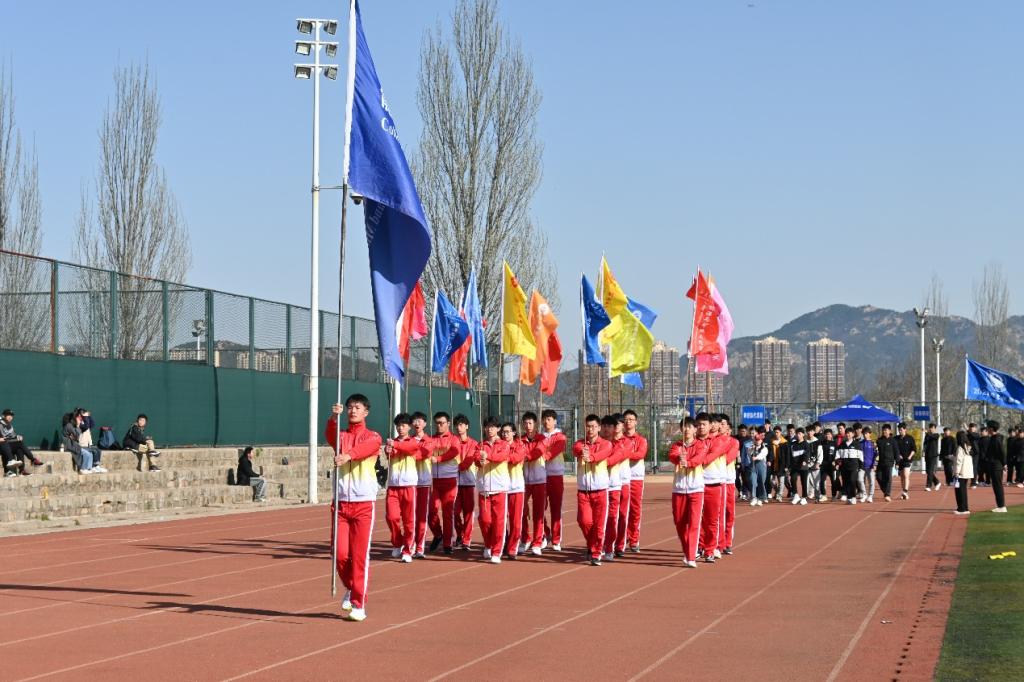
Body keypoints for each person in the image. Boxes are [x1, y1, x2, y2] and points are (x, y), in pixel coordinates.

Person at [325, 395, 383, 622]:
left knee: (359, 557)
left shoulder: (373, 436)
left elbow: (367, 448)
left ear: (366, 412)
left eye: (357, 407)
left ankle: (359, 603)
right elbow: (330, 434)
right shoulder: (341, 436)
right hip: (341, 503)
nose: (352, 410)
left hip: (363, 504)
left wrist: (348, 455)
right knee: (339, 554)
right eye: (349, 407)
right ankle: (351, 587)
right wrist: (333, 417)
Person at [668, 416, 712, 567]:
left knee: (694, 523)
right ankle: (688, 551)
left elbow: (699, 458)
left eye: (689, 426)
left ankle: (691, 556)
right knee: (679, 523)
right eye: (684, 426)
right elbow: (672, 456)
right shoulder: (677, 445)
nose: (686, 429)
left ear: (694, 430)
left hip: (696, 489)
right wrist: (678, 458)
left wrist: (688, 462)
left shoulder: (701, 445)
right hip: (679, 489)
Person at [572, 413, 612, 566]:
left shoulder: (606, 444)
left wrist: (591, 457)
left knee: (599, 525)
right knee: (584, 521)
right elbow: (576, 449)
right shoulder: (580, 444)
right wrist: (583, 451)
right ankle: (592, 544)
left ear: (599, 428)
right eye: (588, 426)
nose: (591, 429)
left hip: (600, 490)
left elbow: (603, 454)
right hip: (584, 491)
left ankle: (596, 553)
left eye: (594, 426)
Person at [469, 417, 510, 564]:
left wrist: (488, 456)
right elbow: (475, 458)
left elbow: (502, 456)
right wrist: (479, 461)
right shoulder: (481, 445)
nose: (489, 429)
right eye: (487, 427)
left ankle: (497, 551)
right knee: (485, 520)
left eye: (492, 427)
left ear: (498, 429)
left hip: (500, 488)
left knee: (499, 522)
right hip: (484, 488)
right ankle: (488, 544)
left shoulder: (504, 444)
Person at [384, 413, 420, 562]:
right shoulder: (392, 442)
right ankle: (398, 542)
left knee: (408, 520)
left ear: (409, 427)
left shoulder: (413, 441)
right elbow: (391, 453)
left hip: (408, 485)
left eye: (403, 425)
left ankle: (408, 549)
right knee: (391, 517)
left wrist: (394, 445)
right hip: (393, 486)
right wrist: (388, 450)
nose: (400, 428)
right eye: (398, 425)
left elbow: (409, 448)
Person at [427, 412, 460, 555]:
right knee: (431, 511)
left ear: (448, 423)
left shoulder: (454, 439)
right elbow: (425, 451)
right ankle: (438, 534)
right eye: (437, 423)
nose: (439, 425)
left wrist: (439, 459)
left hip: (449, 480)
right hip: (434, 481)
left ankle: (448, 543)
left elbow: (454, 452)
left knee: (447, 513)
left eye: (442, 423)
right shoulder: (431, 439)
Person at [698, 413, 727, 562]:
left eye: (705, 424)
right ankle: (699, 546)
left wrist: (693, 459)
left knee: (712, 520)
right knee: (696, 519)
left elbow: (707, 458)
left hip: (714, 483)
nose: (701, 427)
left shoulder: (719, 442)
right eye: (699, 424)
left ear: (710, 426)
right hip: (696, 484)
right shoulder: (693, 442)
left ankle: (710, 549)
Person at [601, 414, 630, 561]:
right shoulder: (595, 443)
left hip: (615, 485)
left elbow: (613, 459)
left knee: (615, 517)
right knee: (596, 519)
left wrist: (595, 458)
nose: (607, 429)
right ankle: (597, 544)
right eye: (604, 426)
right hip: (598, 486)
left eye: (610, 426)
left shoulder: (621, 444)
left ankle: (612, 546)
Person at [539, 409, 568, 552]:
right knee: (540, 508)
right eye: (544, 419)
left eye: (549, 419)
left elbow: (554, 451)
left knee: (556, 508)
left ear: (555, 421)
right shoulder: (539, 437)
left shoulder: (560, 437)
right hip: (541, 476)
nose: (546, 422)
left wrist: (542, 454)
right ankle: (545, 534)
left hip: (556, 475)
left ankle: (556, 540)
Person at [519, 412, 547, 556]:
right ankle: (525, 539)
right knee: (521, 511)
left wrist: (525, 457)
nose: (528, 426)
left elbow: (538, 452)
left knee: (538, 513)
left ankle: (537, 542)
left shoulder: (542, 439)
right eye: (525, 423)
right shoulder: (520, 440)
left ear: (535, 424)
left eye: (530, 423)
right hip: (523, 481)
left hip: (539, 480)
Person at [622, 409, 649, 553]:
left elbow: (640, 454)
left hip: (635, 478)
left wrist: (623, 454)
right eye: (626, 419)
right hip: (621, 478)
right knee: (620, 510)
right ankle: (622, 538)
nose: (628, 422)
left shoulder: (641, 440)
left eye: (631, 419)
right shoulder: (619, 439)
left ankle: (634, 539)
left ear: (636, 422)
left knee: (634, 509)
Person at [452, 414, 478, 551]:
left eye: (461, 424)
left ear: (467, 426)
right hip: (454, 483)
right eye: (457, 425)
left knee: (468, 512)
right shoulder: (452, 442)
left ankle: (466, 540)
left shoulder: (474, 443)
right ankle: (460, 535)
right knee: (455, 512)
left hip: (469, 482)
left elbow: (468, 461)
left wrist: (453, 467)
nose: (459, 427)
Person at [502, 422, 527, 560]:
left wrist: (500, 456)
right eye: (503, 432)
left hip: (516, 487)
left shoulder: (520, 446)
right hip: (501, 488)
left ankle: (512, 548)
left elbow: (515, 459)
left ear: (514, 433)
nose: (505, 434)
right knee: (500, 520)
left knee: (515, 521)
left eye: (508, 432)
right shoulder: (499, 445)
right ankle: (503, 542)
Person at [409, 412, 431, 558]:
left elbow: (423, 454)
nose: (417, 423)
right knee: (410, 516)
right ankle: (410, 544)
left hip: (423, 483)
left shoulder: (429, 441)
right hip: (409, 483)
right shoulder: (408, 440)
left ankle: (420, 547)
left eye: (420, 421)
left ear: (425, 424)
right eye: (415, 421)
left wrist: (407, 450)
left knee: (422, 516)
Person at [718, 414, 740, 555]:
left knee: (729, 512)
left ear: (728, 427)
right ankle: (716, 543)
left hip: (728, 481)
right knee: (716, 514)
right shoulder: (710, 441)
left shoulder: (733, 442)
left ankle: (727, 542)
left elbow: (728, 459)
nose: (720, 426)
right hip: (714, 482)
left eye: (723, 423)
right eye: (718, 423)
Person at [0, 409, 44, 475]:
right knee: (19, 444)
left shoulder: (10, 425)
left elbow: (12, 436)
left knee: (19, 449)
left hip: (8, 445)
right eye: (8, 415)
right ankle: (33, 459)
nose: (10, 417)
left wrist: (18, 436)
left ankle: (22, 470)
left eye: (11, 416)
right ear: (4, 416)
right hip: (2, 446)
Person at [838, 424, 864, 504]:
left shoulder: (857, 444)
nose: (848, 435)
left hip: (854, 466)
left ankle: (853, 497)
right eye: (847, 433)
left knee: (852, 481)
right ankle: (848, 497)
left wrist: (861, 467)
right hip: (844, 467)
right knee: (846, 482)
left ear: (853, 434)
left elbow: (860, 456)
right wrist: (837, 462)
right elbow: (838, 455)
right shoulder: (842, 444)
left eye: (849, 433)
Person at [985, 420, 1007, 513]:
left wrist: (1004, 464)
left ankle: (1001, 506)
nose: (986, 429)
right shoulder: (993, 438)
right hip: (993, 465)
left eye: (987, 427)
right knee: (996, 486)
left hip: (996, 465)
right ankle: (1000, 505)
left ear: (991, 428)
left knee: (998, 486)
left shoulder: (997, 439)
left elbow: (1002, 452)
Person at [76, 408, 107, 474]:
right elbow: (86, 427)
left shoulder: (85, 420)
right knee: (94, 451)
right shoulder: (78, 422)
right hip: (82, 444)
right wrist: (86, 417)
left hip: (88, 443)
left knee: (98, 450)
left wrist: (89, 416)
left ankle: (96, 466)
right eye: (84, 414)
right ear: (80, 414)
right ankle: (93, 467)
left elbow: (92, 424)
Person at [875, 424, 899, 502]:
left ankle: (887, 494)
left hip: (889, 462)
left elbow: (896, 452)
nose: (884, 431)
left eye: (886, 430)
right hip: (880, 462)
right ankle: (885, 490)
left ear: (889, 431)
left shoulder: (893, 441)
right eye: (883, 430)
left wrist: (897, 462)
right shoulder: (879, 440)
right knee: (878, 477)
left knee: (888, 478)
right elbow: (876, 451)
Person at [953, 430, 974, 515]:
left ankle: (961, 509)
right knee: (963, 491)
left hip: (960, 473)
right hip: (966, 473)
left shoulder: (960, 448)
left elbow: (959, 462)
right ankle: (965, 508)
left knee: (959, 491)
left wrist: (956, 473)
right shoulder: (968, 447)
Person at [788, 428, 809, 505]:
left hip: (803, 466)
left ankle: (804, 497)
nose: (798, 435)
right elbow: (790, 455)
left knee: (804, 482)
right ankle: (796, 495)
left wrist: (805, 461)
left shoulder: (806, 444)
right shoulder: (793, 444)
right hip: (795, 466)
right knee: (793, 479)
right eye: (797, 433)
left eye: (800, 433)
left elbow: (807, 454)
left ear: (803, 434)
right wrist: (789, 466)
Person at [895, 423, 916, 500]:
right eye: (899, 430)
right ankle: (904, 492)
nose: (900, 431)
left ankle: (905, 491)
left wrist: (910, 456)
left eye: (901, 430)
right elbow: (894, 448)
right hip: (899, 461)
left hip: (907, 460)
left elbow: (914, 449)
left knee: (906, 475)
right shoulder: (896, 439)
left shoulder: (910, 438)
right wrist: (897, 455)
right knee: (902, 477)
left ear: (905, 429)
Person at [768, 427, 789, 502]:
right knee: (771, 480)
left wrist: (787, 465)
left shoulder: (785, 442)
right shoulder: (771, 442)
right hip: (773, 464)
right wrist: (769, 460)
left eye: (777, 432)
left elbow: (787, 455)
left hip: (782, 464)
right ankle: (777, 491)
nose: (776, 434)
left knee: (781, 481)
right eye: (775, 432)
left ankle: (779, 495)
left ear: (780, 433)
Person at [749, 427, 769, 506]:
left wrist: (756, 457)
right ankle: (754, 498)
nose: (757, 441)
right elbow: (749, 453)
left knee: (761, 482)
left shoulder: (764, 448)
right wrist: (752, 449)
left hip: (762, 467)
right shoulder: (752, 447)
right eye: (756, 440)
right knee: (753, 482)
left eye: (759, 440)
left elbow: (762, 455)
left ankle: (761, 498)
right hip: (753, 468)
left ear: (761, 440)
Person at [819, 429, 838, 501]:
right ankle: (823, 495)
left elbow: (837, 453)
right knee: (822, 480)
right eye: (826, 434)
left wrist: (835, 462)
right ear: (824, 435)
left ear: (831, 435)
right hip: (823, 465)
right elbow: (819, 453)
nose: (827, 436)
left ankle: (834, 496)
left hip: (832, 465)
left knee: (833, 481)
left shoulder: (834, 443)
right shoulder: (821, 443)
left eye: (829, 434)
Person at [805, 426, 823, 503]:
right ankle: (807, 496)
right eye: (808, 431)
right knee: (807, 482)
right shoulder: (804, 441)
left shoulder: (817, 442)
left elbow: (820, 454)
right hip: (806, 465)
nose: (809, 433)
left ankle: (817, 496)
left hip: (815, 465)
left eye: (811, 431)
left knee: (817, 482)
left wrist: (818, 463)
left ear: (814, 432)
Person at [922, 423, 941, 491]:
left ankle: (928, 486)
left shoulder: (936, 435)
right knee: (928, 471)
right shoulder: (927, 435)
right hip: (927, 455)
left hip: (933, 455)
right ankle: (937, 482)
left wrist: (927, 432)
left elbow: (932, 437)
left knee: (930, 470)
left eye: (932, 428)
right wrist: (923, 451)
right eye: (930, 427)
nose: (930, 429)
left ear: (935, 429)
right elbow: (925, 443)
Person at [737, 425, 753, 502]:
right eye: (741, 431)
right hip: (736, 461)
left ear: (746, 431)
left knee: (746, 478)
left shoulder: (749, 440)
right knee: (736, 478)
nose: (742, 433)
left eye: (744, 431)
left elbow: (750, 452)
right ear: (738, 431)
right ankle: (741, 490)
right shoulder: (735, 438)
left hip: (746, 462)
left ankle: (746, 493)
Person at [861, 427, 876, 503]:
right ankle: (864, 494)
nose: (865, 435)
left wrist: (874, 464)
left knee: (871, 482)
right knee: (859, 479)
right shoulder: (860, 443)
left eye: (866, 433)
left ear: (870, 434)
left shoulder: (873, 443)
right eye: (864, 434)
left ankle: (870, 496)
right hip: (862, 466)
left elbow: (876, 455)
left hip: (870, 466)